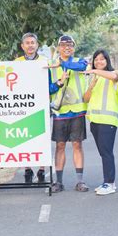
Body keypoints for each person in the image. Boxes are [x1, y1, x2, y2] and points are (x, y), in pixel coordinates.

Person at [15, 32, 61, 183]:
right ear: (22, 46)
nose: (30, 45)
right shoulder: (16, 63)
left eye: (32, 42)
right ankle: (27, 169)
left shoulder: (45, 62)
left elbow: (49, 85)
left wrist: (56, 85)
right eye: (27, 43)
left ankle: (42, 169)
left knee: (43, 138)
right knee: (24, 138)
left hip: (42, 106)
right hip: (23, 105)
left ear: (37, 45)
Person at [49, 35, 88, 193]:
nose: (67, 47)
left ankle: (80, 181)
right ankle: (59, 182)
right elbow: (47, 88)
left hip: (77, 111)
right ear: (58, 47)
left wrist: (64, 64)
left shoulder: (80, 61)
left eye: (70, 45)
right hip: (60, 112)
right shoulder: (51, 65)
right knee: (60, 146)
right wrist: (58, 83)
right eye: (63, 45)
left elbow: (81, 68)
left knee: (77, 145)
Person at [82, 49, 118, 195]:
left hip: (108, 119)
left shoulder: (114, 73)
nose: (98, 62)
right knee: (103, 152)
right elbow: (85, 99)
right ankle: (108, 182)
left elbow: (114, 76)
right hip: (95, 120)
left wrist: (93, 71)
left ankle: (109, 183)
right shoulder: (93, 78)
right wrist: (91, 86)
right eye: (96, 59)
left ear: (107, 61)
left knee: (106, 152)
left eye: (102, 59)